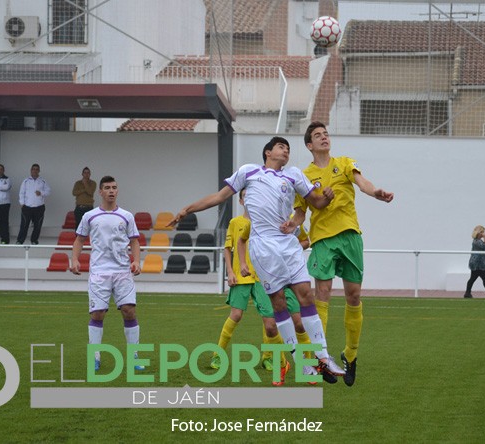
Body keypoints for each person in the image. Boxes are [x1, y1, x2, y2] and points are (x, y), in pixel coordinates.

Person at [169, 136, 345, 382]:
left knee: (306, 294)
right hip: (263, 247)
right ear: (268, 152)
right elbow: (219, 197)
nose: (286, 151)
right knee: (279, 303)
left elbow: (316, 202)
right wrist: (187, 209)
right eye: (281, 147)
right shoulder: (248, 171)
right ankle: (302, 362)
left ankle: (324, 358)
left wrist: (327, 196)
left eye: (288, 148)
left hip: (289, 244)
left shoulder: (293, 174)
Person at [294, 121, 394, 387]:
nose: (324, 137)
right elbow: (301, 212)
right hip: (324, 240)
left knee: (354, 295)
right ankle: (321, 358)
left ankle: (351, 354)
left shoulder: (345, 163)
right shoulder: (304, 176)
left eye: (326, 133)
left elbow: (363, 184)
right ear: (309, 145)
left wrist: (377, 193)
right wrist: (290, 226)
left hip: (350, 236)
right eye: (318, 135)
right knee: (322, 294)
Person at [212, 189, 317, 386]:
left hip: (290, 278)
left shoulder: (290, 221)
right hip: (263, 279)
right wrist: (235, 269)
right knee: (266, 324)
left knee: (298, 323)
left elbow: (305, 240)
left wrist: (292, 246)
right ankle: (279, 363)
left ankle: (304, 366)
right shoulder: (247, 223)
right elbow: (238, 243)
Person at [70, 175, 144, 371]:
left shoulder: (127, 216)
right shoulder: (90, 216)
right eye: (107, 188)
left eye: (114, 187)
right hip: (99, 272)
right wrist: (75, 259)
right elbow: (79, 240)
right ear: (100, 192)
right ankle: (95, 358)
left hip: (122, 272)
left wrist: (136, 261)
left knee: (129, 311)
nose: (111, 191)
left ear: (117, 191)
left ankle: (134, 358)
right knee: (98, 314)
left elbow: (135, 241)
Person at [17, 163, 51, 245]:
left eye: (36, 169)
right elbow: (21, 193)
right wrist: (22, 203)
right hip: (27, 207)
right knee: (24, 225)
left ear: (39, 171)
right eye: (33, 169)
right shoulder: (26, 181)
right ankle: (20, 240)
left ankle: (34, 240)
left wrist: (41, 193)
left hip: (39, 207)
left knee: (37, 225)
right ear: (31, 170)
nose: (35, 171)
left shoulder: (42, 181)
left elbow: (48, 191)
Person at [464, 225, 485, 298]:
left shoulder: (479, 241)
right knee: (483, 279)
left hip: (479, 264)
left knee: (474, 279)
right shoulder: (476, 241)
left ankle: (468, 293)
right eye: (482, 232)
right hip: (477, 264)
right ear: (478, 233)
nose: (483, 233)